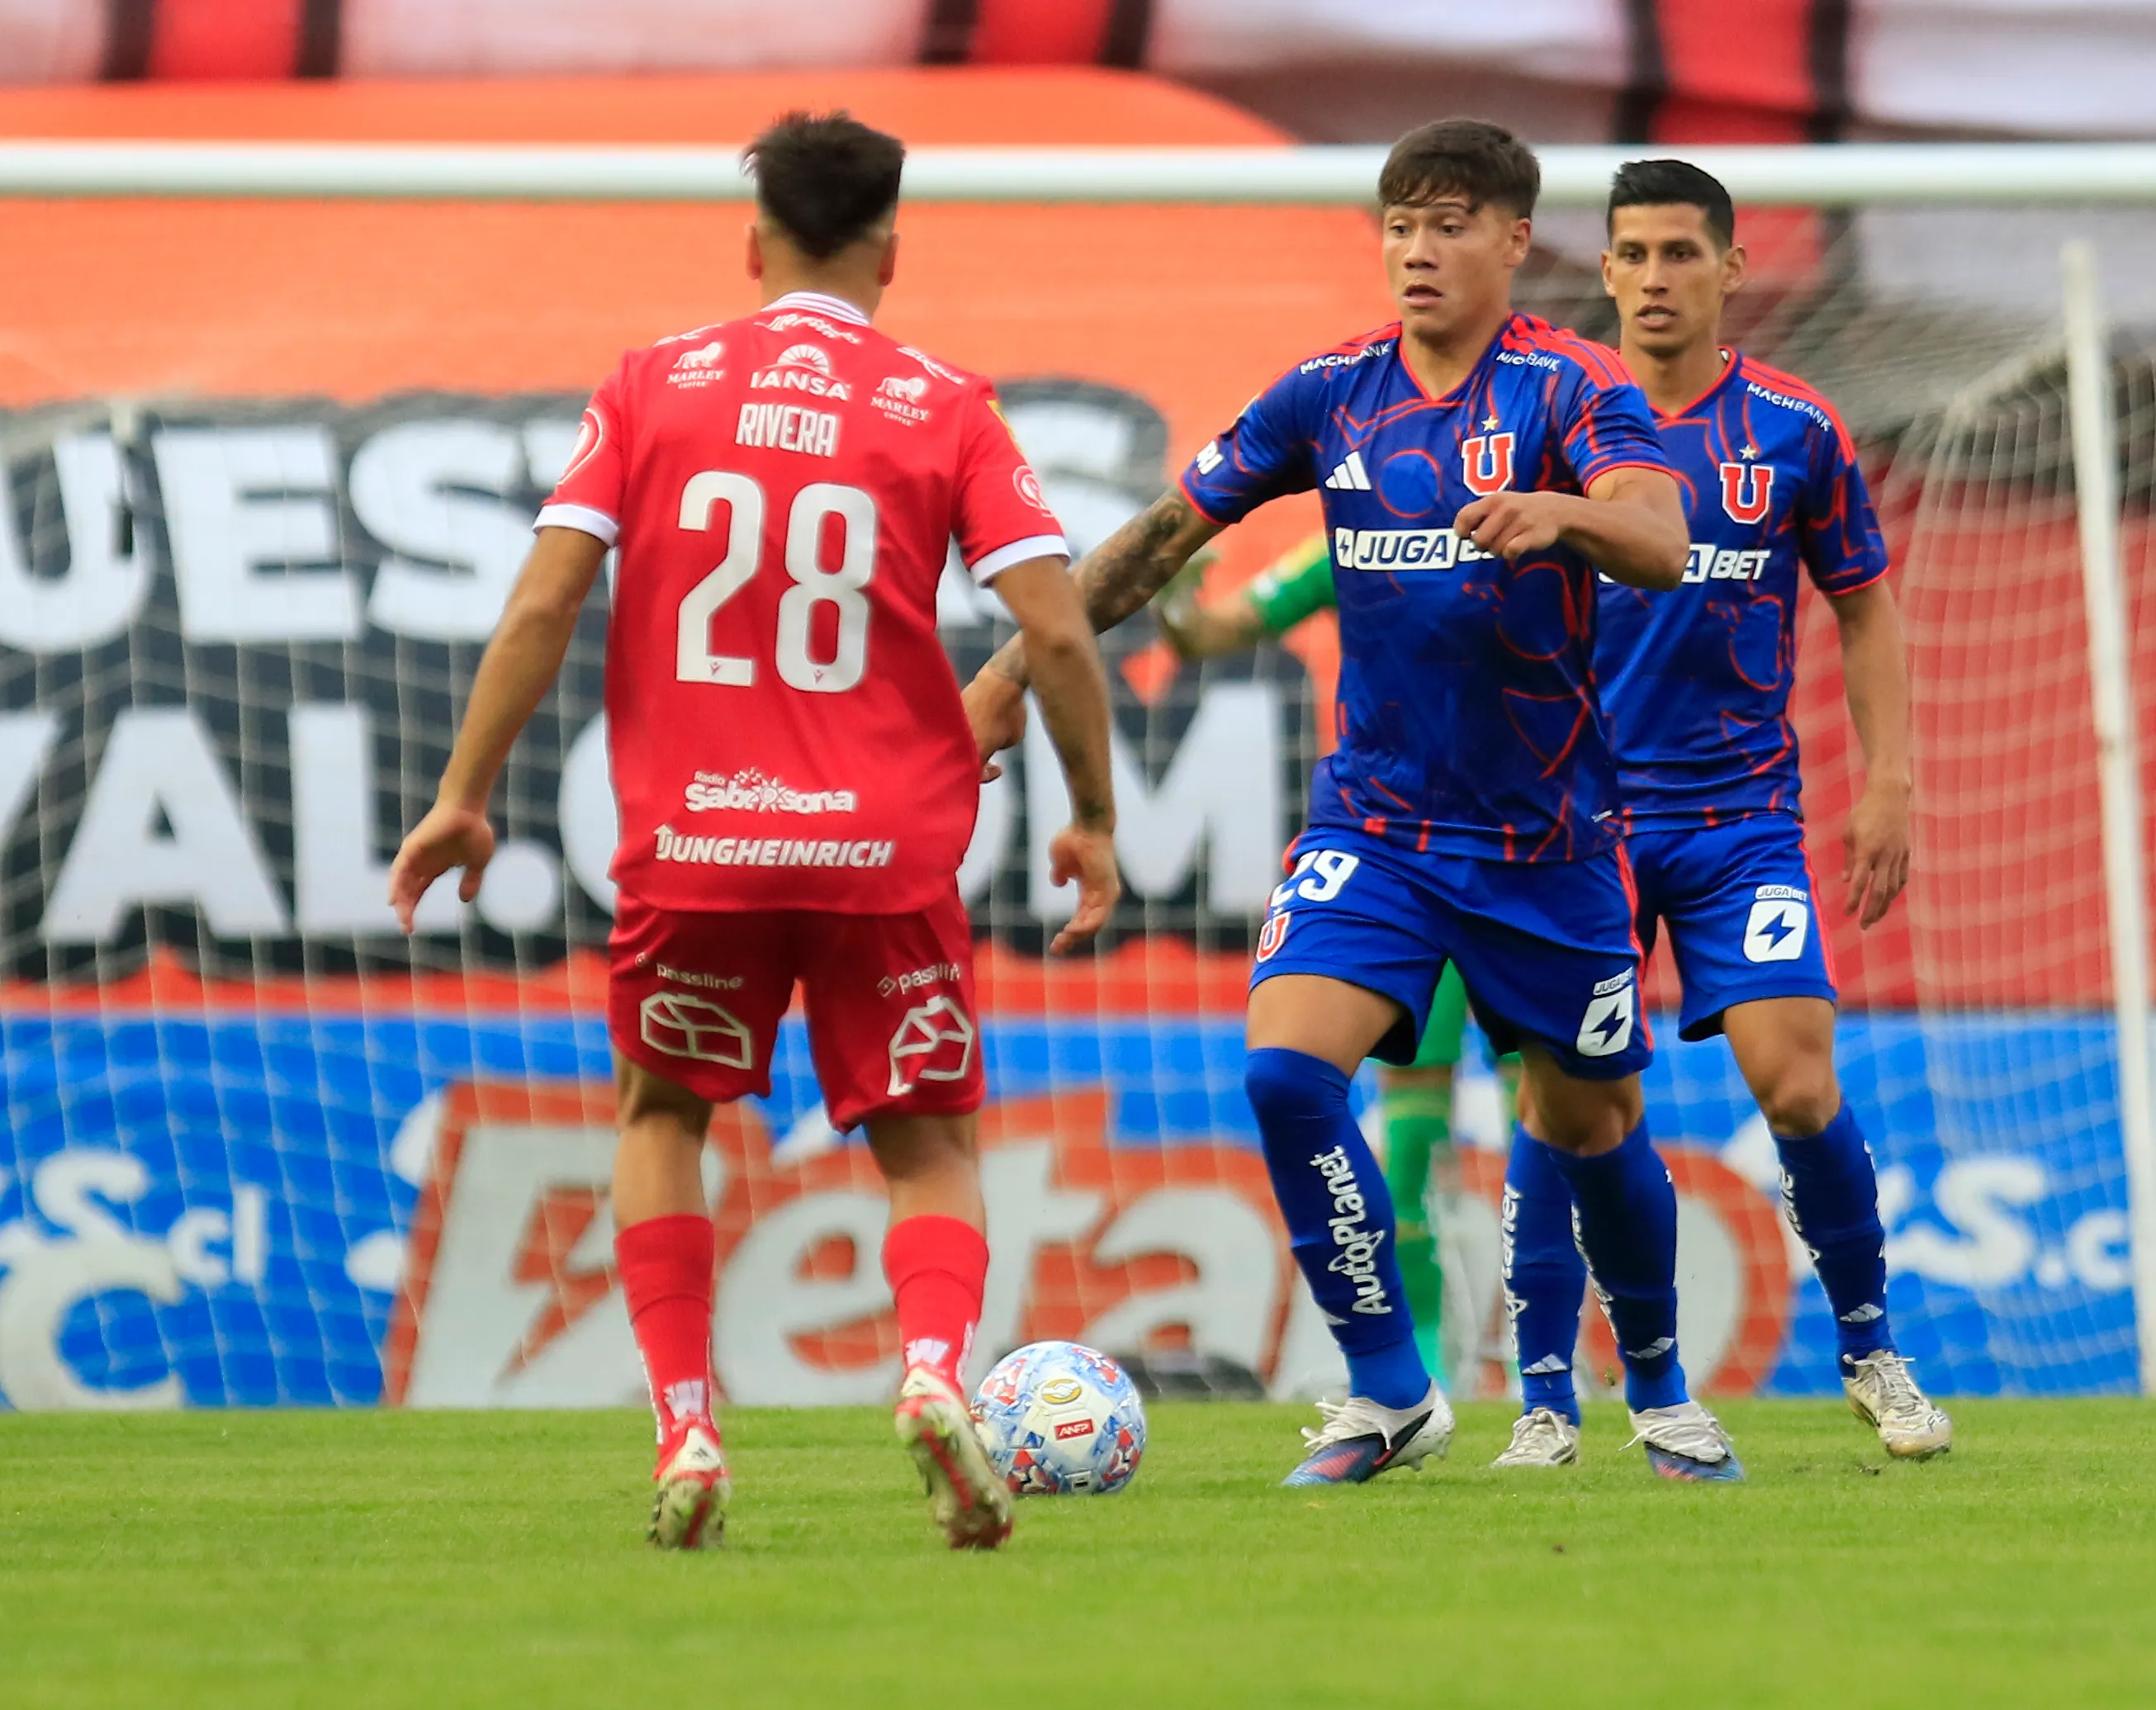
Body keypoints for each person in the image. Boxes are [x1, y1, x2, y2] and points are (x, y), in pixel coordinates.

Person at [969, 118, 1744, 1486]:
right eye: (1398, 224)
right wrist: (990, 697)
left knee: (1589, 1125)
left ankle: (1664, 1388)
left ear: (1514, 240)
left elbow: (1665, 539)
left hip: (1547, 843)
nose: (1417, 250)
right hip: (1374, 828)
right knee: (1281, 1068)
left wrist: (1559, 515)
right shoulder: (1330, 393)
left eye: (1448, 223)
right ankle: (1390, 1388)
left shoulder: (1571, 390)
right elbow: (1155, 546)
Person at [388, 111, 1123, 1550]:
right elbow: (1053, 627)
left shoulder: (653, 388)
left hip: (699, 844)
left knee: (665, 1116)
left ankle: (688, 1427)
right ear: (891, 249)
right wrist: (1093, 814)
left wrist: (463, 793)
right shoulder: (944, 401)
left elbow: (543, 603)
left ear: (753, 241)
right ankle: (927, 1375)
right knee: (927, 1147)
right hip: (887, 851)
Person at [1491, 159, 1951, 1469]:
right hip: (1577, 822)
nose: (1649, 278)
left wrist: (1892, 781)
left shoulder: (1796, 431)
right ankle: (1542, 1400)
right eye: (1629, 254)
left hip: (1740, 813)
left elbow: (1862, 603)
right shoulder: (1553, 416)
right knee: (1562, 1103)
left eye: (1678, 254)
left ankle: (1872, 1353)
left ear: (1731, 270)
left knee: (1795, 1082)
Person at [1157, 542, 1522, 1381]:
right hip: (1403, 866)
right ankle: (1425, 1353)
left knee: (1548, 1123)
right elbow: (1207, 633)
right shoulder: (1356, 537)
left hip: (1526, 863)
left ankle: (1544, 1358)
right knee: (1412, 1129)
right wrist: (1172, 591)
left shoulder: (1535, 528)